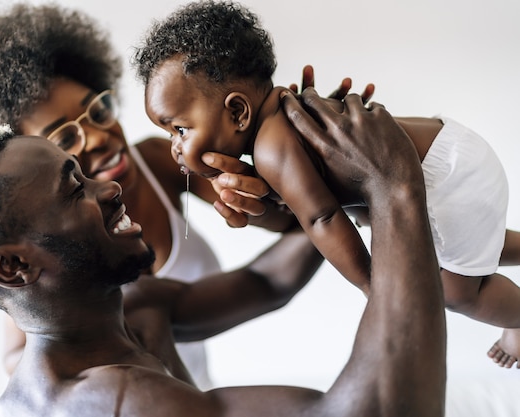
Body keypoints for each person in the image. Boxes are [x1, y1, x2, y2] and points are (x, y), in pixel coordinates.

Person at [0, 84, 447, 415]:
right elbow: (386, 411)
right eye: (75, 188)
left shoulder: (127, 312)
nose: (108, 186)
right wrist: (393, 186)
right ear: (11, 266)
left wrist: (324, 190)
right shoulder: (108, 403)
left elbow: (268, 284)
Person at [0, 3, 376, 383]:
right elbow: (23, 358)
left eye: (97, 110)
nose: (98, 137)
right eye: (63, 139)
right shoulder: (37, 275)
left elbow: (295, 230)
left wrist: (306, 164)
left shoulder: (163, 161)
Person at [132, 0, 520, 368]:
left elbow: (321, 218)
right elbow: (311, 206)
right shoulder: (284, 111)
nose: (176, 147)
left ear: (237, 111)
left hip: (444, 180)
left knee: (457, 291)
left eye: (180, 129)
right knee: (472, 244)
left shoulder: (271, 147)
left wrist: (372, 286)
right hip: (452, 153)